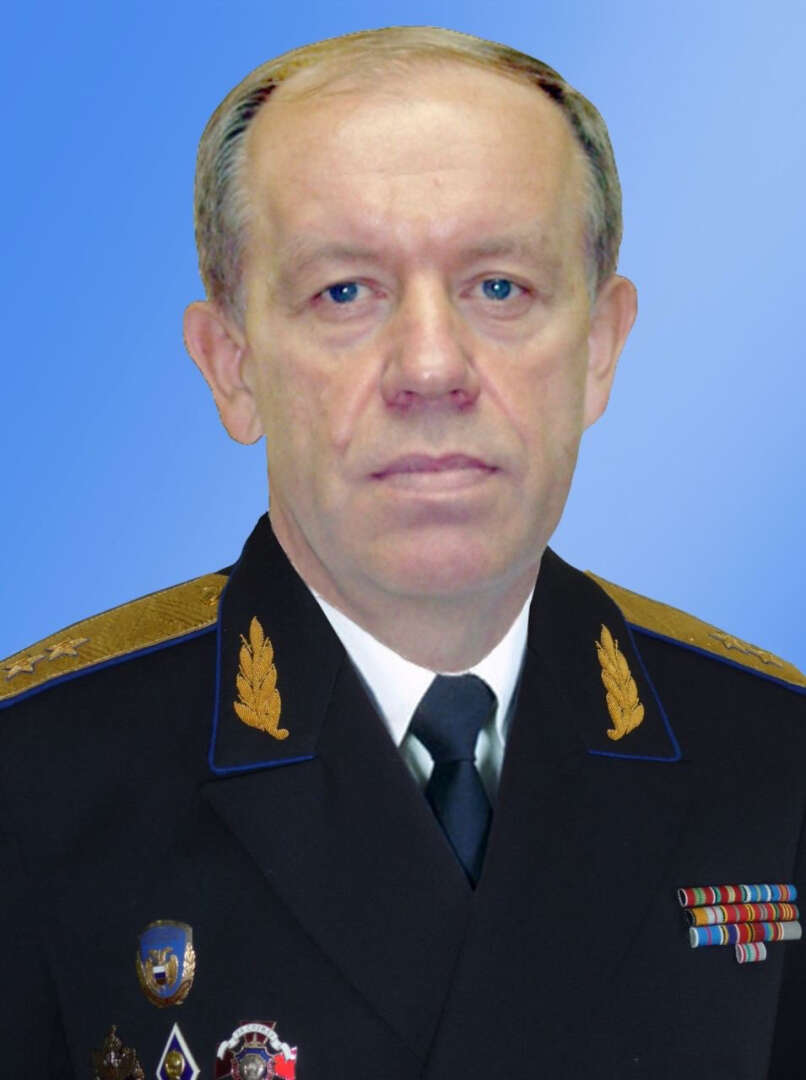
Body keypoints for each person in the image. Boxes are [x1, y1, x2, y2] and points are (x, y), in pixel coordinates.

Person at [1, 26, 804, 1080]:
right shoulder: (34, 776)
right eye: (344, 292)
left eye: (499, 287)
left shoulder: (774, 755)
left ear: (600, 349)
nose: (430, 367)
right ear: (232, 365)